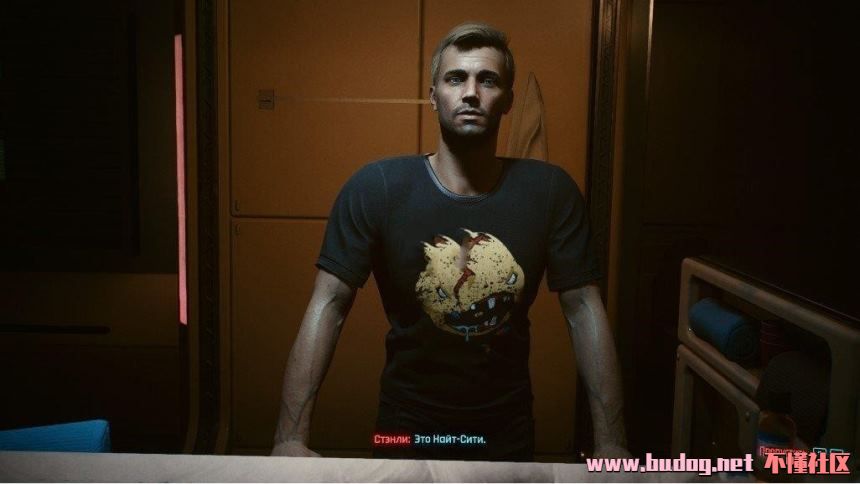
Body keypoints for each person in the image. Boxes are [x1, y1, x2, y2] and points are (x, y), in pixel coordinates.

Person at [271, 22, 629, 461]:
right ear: (433, 95)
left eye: (488, 80)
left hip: (504, 432)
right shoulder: (377, 187)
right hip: (405, 431)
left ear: (508, 100)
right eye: (456, 78)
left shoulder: (550, 192)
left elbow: (584, 309)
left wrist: (613, 446)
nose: (471, 92)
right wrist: (289, 439)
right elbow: (329, 304)